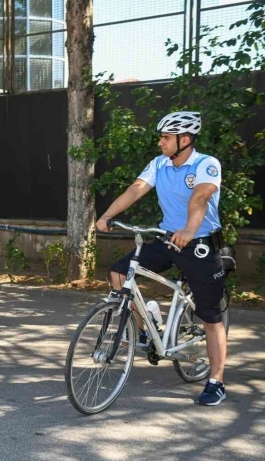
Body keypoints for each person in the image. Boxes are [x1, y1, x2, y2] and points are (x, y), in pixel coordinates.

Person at [96, 111, 228, 406]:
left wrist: (190, 230)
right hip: (170, 239)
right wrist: (107, 215)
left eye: (166, 137)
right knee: (120, 274)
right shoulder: (160, 164)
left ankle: (216, 380)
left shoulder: (206, 164)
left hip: (200, 245)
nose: (160, 142)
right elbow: (135, 190)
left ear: (185, 140)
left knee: (210, 317)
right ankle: (145, 331)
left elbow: (201, 197)